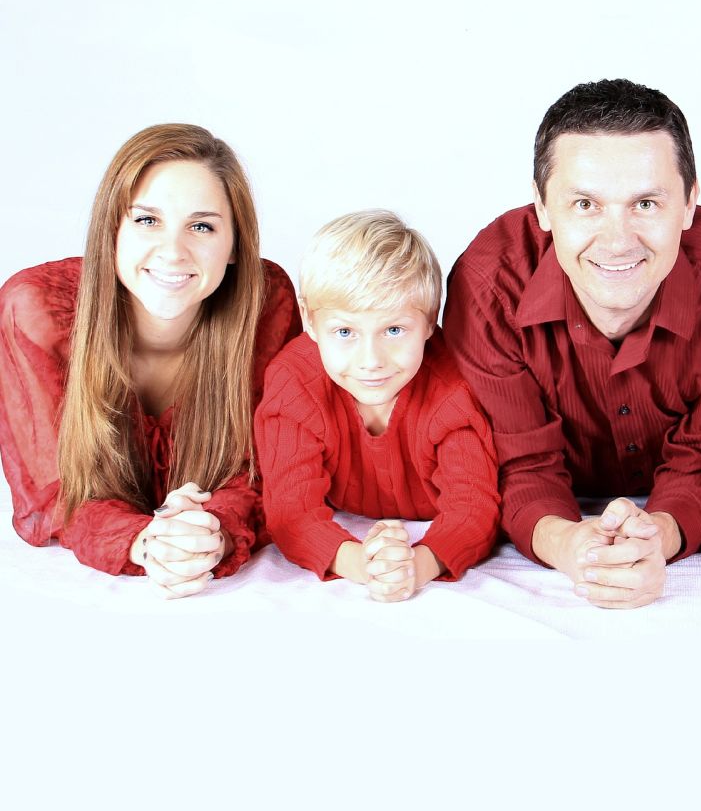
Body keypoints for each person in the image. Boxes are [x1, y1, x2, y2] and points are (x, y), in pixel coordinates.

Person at [443, 78, 701, 608]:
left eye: (646, 203)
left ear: (691, 203)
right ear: (540, 208)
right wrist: (571, 545)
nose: (618, 238)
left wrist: (659, 538)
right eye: (585, 204)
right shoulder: (488, 286)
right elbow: (521, 464)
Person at [0, 123, 300, 596]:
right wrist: (145, 543)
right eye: (147, 220)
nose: (173, 251)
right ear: (112, 231)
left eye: (201, 226)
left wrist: (213, 531)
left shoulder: (267, 305)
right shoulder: (37, 310)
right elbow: (51, 496)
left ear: (236, 245)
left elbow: (273, 470)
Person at [255, 211, 501, 601]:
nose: (371, 360)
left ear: (430, 322)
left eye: (393, 330)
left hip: (425, 526)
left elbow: (473, 507)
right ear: (310, 321)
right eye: (345, 331)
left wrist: (416, 565)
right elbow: (291, 511)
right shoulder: (294, 381)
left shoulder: (452, 386)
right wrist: (363, 563)